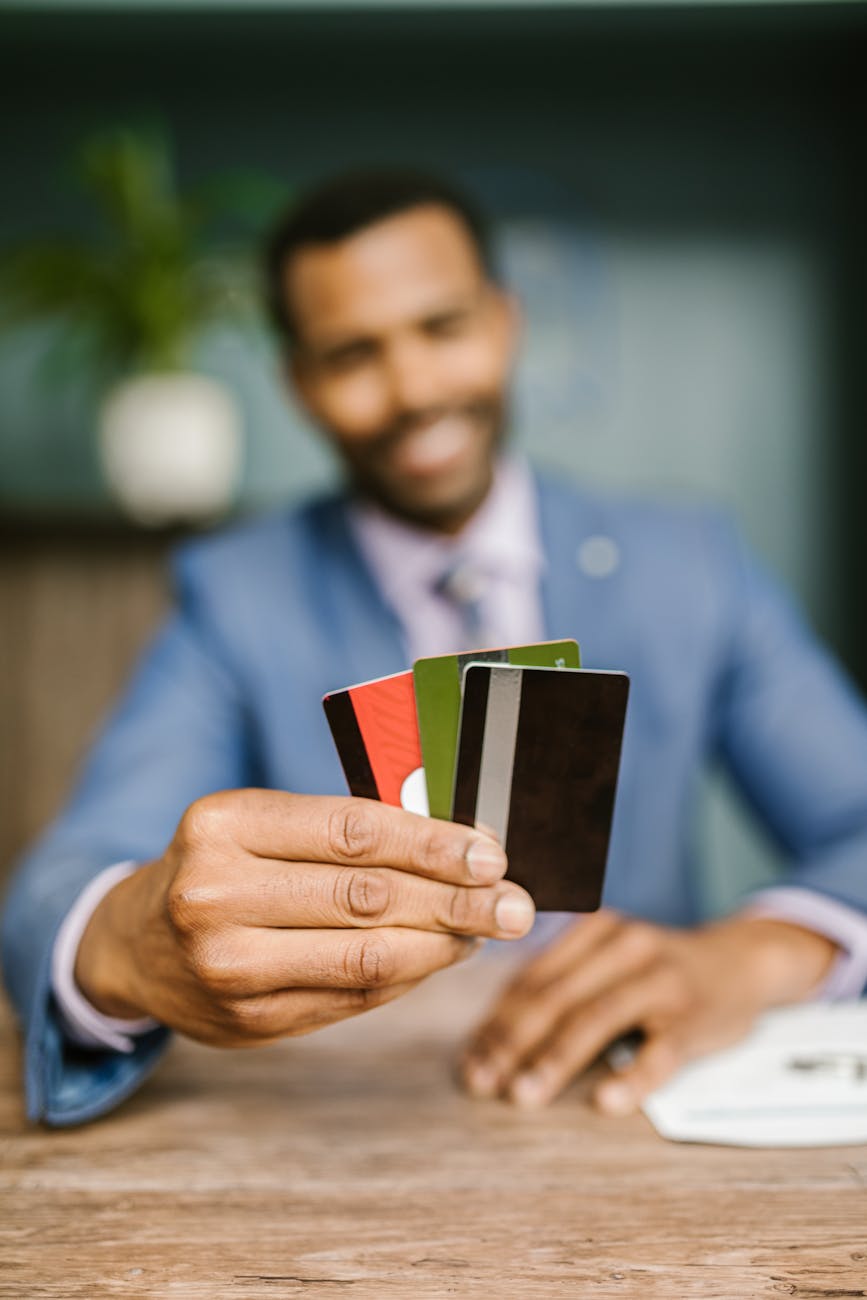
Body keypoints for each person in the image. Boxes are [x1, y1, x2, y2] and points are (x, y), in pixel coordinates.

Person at [3, 169, 867, 1129]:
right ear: (298, 384)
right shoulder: (236, 596)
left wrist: (756, 954)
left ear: (505, 323)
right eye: (351, 354)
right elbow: (69, 870)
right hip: (358, 1129)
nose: (412, 390)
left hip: (633, 1114)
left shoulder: (690, 564)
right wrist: (123, 944)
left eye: (442, 329)